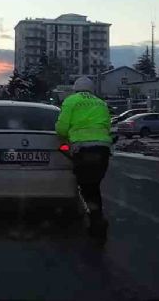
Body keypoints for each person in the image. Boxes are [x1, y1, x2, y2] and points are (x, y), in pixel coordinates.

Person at [56, 76, 112, 242]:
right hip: (102, 149)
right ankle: (96, 217)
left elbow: (62, 128)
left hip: (82, 148)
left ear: (75, 88)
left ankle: (93, 217)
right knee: (94, 185)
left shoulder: (71, 101)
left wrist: (66, 137)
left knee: (84, 185)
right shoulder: (100, 103)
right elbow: (107, 125)